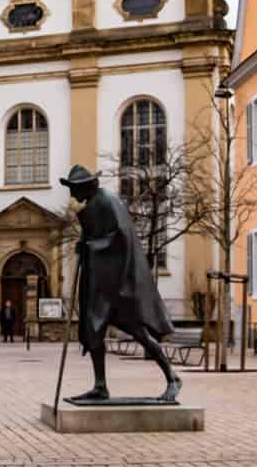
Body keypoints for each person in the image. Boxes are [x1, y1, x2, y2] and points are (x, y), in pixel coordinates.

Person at [61, 164, 182, 403]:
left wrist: (90, 246)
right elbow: (96, 237)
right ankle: (100, 386)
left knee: (139, 333)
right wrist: (84, 243)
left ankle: (172, 377)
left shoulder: (108, 201)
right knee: (94, 332)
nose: (72, 195)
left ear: (85, 186)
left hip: (117, 286)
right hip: (101, 286)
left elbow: (120, 237)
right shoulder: (91, 205)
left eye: (73, 189)